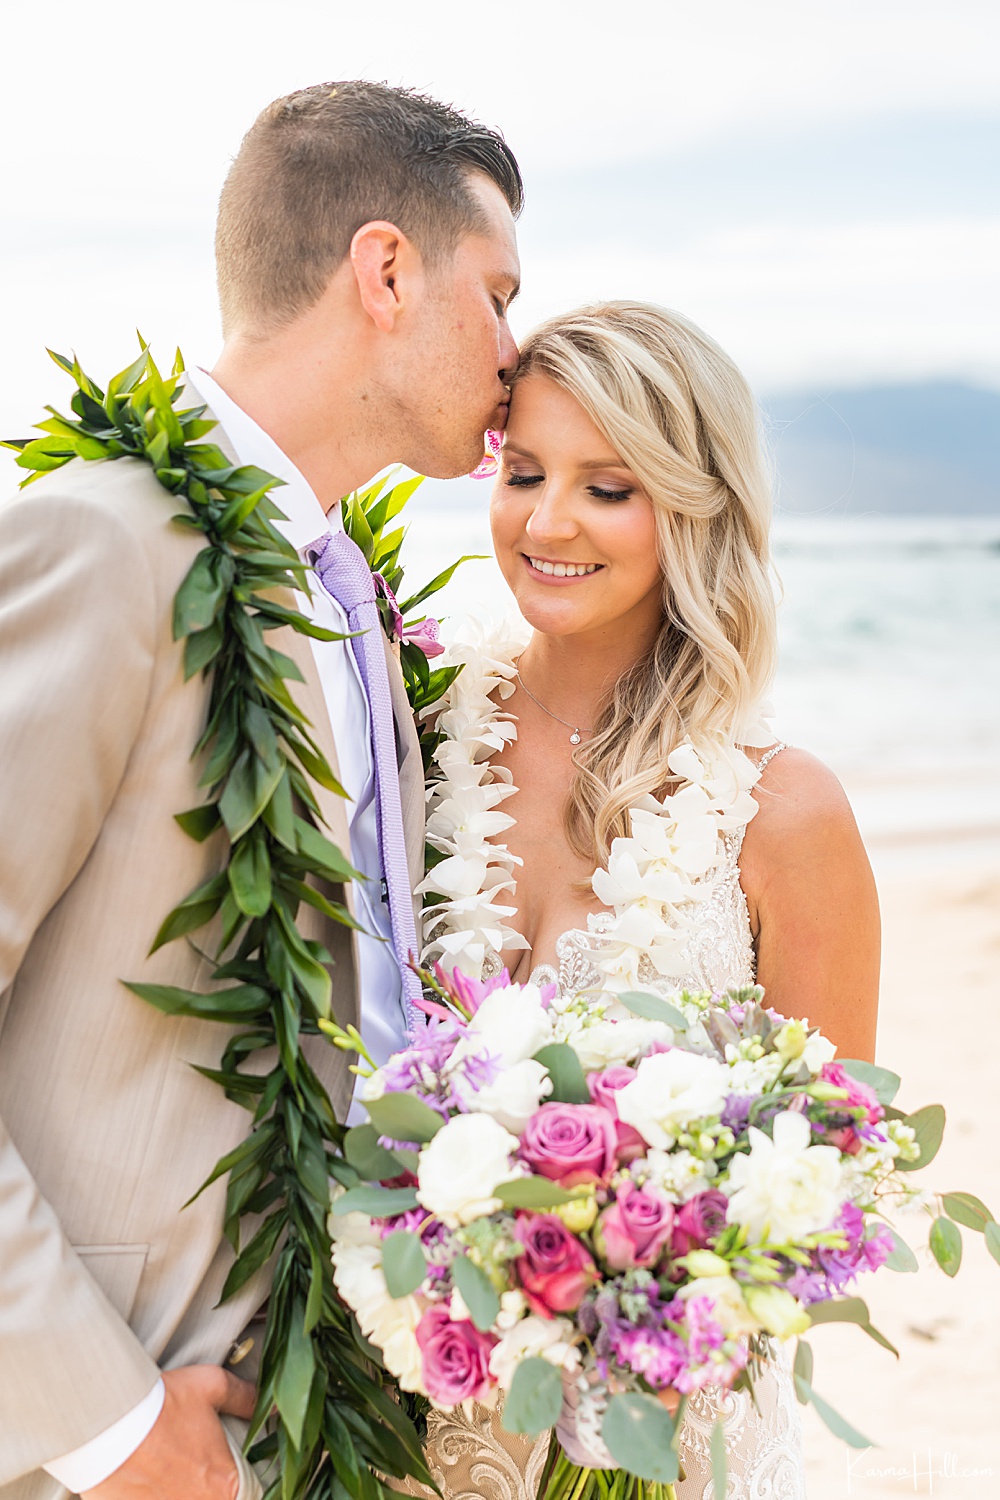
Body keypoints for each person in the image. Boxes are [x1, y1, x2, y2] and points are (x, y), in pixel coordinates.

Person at [0, 81, 520, 1500]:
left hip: (329, 1411)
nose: (512, 351)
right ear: (387, 270)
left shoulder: (348, 589)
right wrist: (98, 1422)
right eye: (498, 292)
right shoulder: (104, 543)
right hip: (135, 1422)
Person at [409, 301, 880, 1497]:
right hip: (400, 1420)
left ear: (691, 507)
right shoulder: (409, 736)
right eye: (523, 473)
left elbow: (823, 1189)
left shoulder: (786, 816)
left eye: (608, 488)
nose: (547, 522)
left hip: (660, 1440)